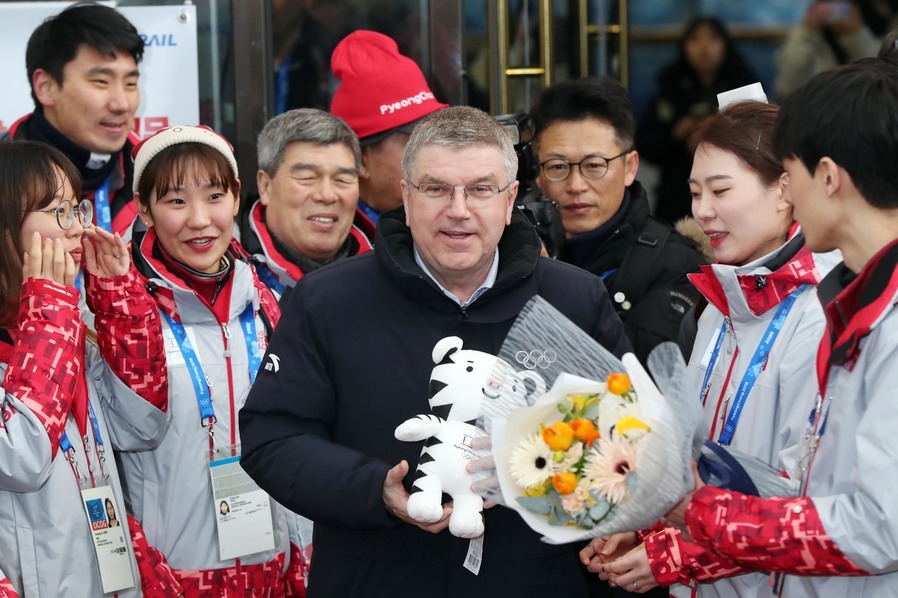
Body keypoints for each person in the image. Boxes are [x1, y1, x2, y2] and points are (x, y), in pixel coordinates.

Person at [239, 105, 632, 597]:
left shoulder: (572, 300)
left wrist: (541, 465)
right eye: (437, 188)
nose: (459, 210)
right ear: (406, 196)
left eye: (481, 189)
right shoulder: (329, 301)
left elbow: (627, 443)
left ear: (510, 200)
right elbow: (272, 438)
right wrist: (374, 489)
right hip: (374, 579)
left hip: (537, 579)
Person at [657, 60, 898, 596]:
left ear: (828, 177)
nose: (787, 192)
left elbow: (881, 527)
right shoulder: (858, 302)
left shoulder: (877, 318)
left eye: (791, 172)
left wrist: (704, 519)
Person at [581, 101, 838, 596]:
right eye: (695, 192)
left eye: (721, 190)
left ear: (784, 188)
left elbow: (810, 499)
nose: (702, 211)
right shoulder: (721, 301)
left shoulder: (819, 312)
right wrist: (649, 528)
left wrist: (679, 555)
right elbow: (692, 460)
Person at [121, 125, 300, 596]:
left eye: (215, 195)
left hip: (274, 564)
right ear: (144, 208)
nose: (200, 220)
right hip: (171, 571)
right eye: (176, 201)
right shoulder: (123, 315)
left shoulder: (267, 303)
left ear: (237, 196)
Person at [0, 141, 170, 596]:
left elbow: (143, 427)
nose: (78, 230)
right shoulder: (53, 324)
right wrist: (51, 316)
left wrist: (119, 302)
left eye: (79, 209)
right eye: (58, 212)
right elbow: (20, 458)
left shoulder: (68, 324)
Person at [530, 76, 706, 365]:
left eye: (594, 166)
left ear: (629, 167)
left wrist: (551, 288)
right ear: (538, 174)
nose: (576, 185)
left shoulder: (676, 265)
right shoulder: (518, 255)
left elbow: (634, 388)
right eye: (558, 166)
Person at [2, 2, 144, 236]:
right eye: (101, 81)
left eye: (130, 84)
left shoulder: (154, 174)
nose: (122, 104)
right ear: (45, 87)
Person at [238, 108, 372, 303]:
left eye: (342, 179)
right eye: (307, 178)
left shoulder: (392, 269)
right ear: (265, 186)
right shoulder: (226, 276)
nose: (327, 195)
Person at [635, 17, 758, 225]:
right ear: (684, 46)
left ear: (725, 44)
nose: (704, 47)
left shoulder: (743, 84)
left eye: (712, 39)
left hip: (736, 194)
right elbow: (646, 146)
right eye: (695, 39)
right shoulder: (669, 88)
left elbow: (760, 142)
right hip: (677, 196)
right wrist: (676, 133)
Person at [330, 29, 448, 236]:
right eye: (413, 144)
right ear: (359, 161)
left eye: (436, 136)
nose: (437, 156)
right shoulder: (332, 247)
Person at [774, 0, 895, 98]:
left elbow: (883, 80)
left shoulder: (887, 23)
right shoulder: (809, 33)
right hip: (817, 110)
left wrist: (856, 36)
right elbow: (787, 87)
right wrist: (807, 33)